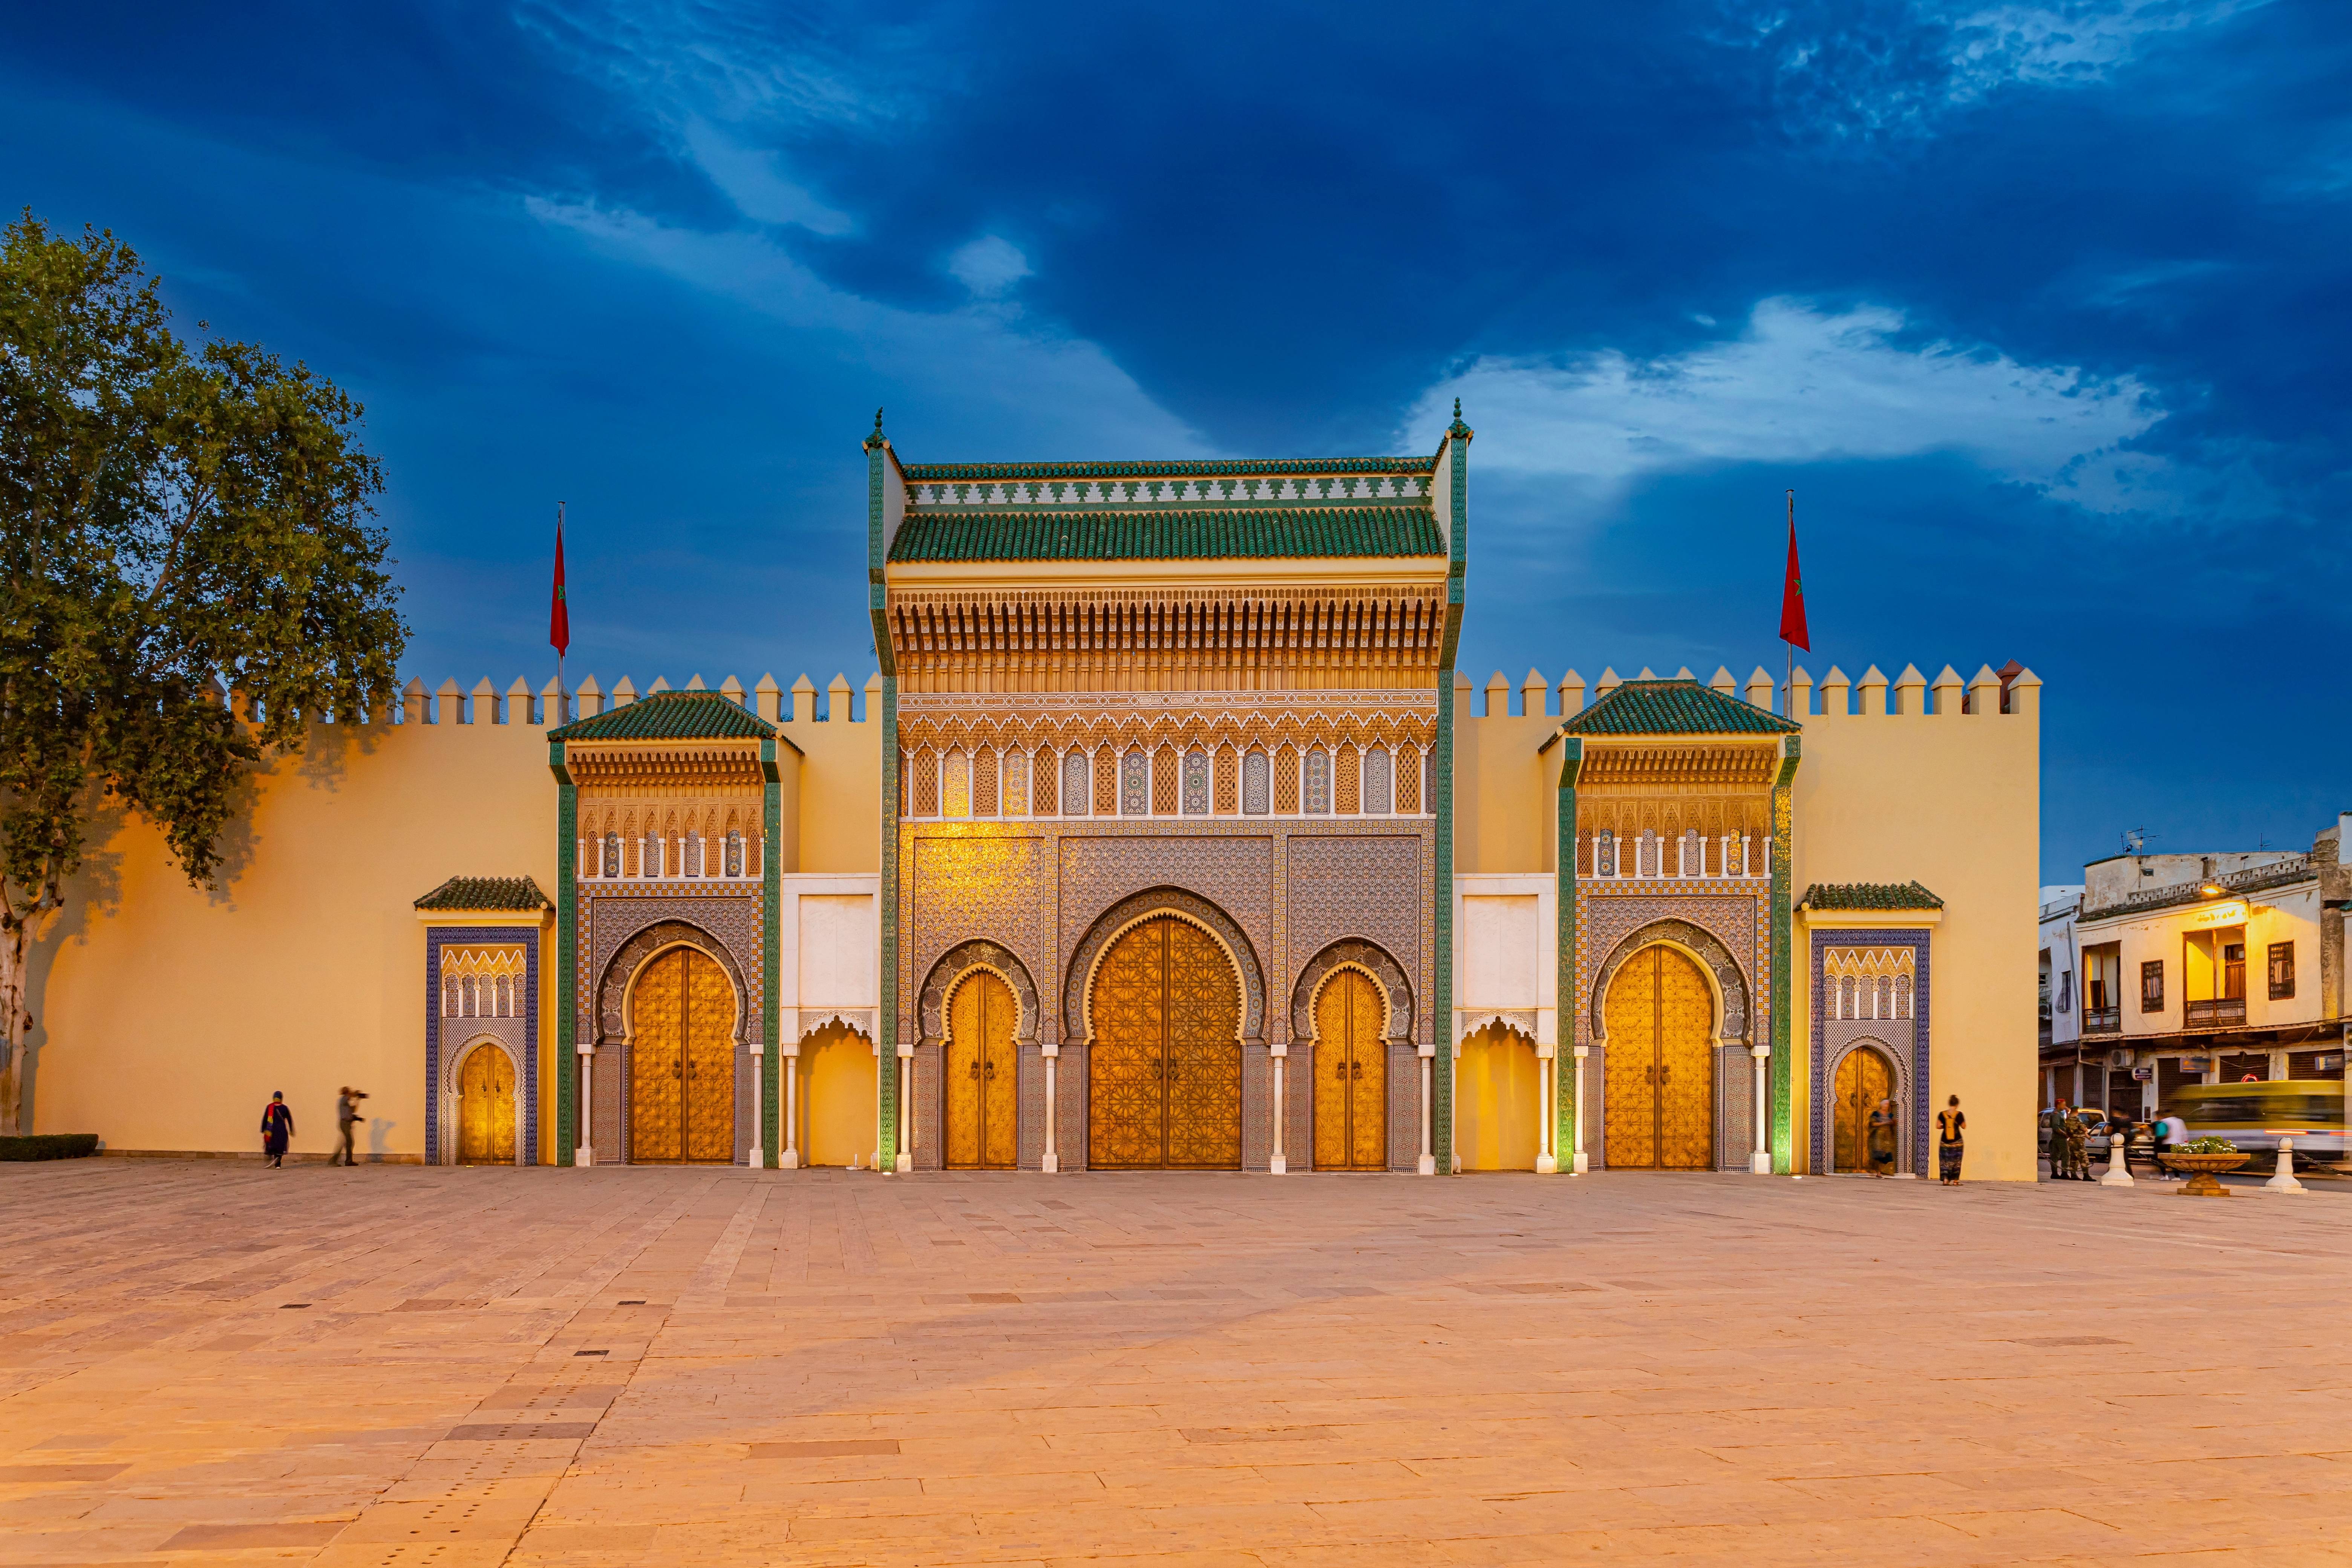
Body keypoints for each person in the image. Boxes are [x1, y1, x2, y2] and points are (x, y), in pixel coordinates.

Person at [332, 1086, 368, 1167]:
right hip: (345, 1124)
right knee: (348, 1143)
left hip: (347, 1124)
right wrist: (356, 1094)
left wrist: (357, 1100)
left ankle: (347, 1161)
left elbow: (352, 1111)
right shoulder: (343, 1099)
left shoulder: (346, 1103)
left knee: (348, 1143)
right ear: (347, 1093)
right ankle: (339, 1161)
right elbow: (349, 1098)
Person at [1937, 1094, 1966, 1184]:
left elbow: (1938, 1126)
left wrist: (1945, 1126)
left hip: (1945, 1141)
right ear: (1957, 1105)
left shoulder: (1942, 1114)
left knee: (1945, 1161)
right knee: (1957, 1161)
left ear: (1949, 1103)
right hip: (1957, 1142)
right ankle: (1956, 1181)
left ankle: (1946, 1180)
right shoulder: (1959, 1114)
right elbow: (1964, 1126)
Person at [260, 1092, 294, 1167]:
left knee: (271, 1145)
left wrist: (263, 1129)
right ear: (281, 1098)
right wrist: (291, 1130)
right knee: (280, 1146)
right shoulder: (285, 1108)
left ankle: (270, 1156)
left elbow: (265, 1119)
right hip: (281, 1130)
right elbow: (290, 1119)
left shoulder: (270, 1107)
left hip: (271, 1130)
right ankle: (278, 1164)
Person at [1866, 1097, 1897, 1176]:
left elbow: (1893, 1124)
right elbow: (1872, 1124)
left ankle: (1884, 1171)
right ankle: (1879, 1173)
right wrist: (1883, 1123)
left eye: (1888, 1104)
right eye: (1885, 1104)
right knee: (1879, 1155)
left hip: (1888, 1138)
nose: (1887, 1106)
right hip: (1878, 1138)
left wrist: (1893, 1122)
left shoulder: (1890, 1115)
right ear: (1882, 1105)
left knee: (1888, 1155)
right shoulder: (1876, 1114)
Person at [2048, 1099, 2074, 1179]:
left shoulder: (2061, 1114)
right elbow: (2056, 1127)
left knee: (2055, 1155)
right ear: (2059, 1105)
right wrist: (2065, 1134)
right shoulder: (2056, 1114)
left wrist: (2067, 1112)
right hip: (2060, 1137)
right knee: (2066, 1154)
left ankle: (2055, 1173)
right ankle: (2064, 1173)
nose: (2065, 1106)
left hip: (2058, 1137)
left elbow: (2066, 1122)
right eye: (2064, 1105)